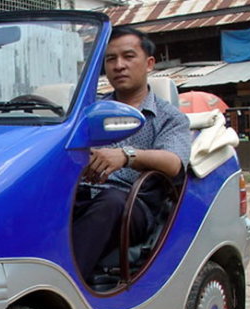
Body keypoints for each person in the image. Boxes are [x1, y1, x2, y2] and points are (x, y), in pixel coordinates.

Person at [73, 26, 191, 280]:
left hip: (133, 206)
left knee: (111, 201)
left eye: (128, 56)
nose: (119, 66)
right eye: (111, 59)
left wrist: (126, 156)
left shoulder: (170, 118)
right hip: (81, 195)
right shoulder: (88, 112)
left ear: (149, 64)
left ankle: (67, 283)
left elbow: (173, 162)